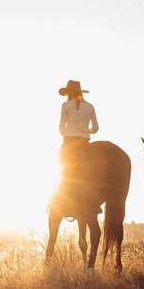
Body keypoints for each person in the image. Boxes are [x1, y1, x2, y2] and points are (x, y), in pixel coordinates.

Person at [54, 80, 100, 214]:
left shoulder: (65, 105)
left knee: (59, 168)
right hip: (85, 142)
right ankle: (95, 202)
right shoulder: (90, 107)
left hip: (69, 142)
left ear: (69, 93)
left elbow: (61, 128)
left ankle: (56, 201)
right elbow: (95, 128)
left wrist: (69, 132)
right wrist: (86, 131)